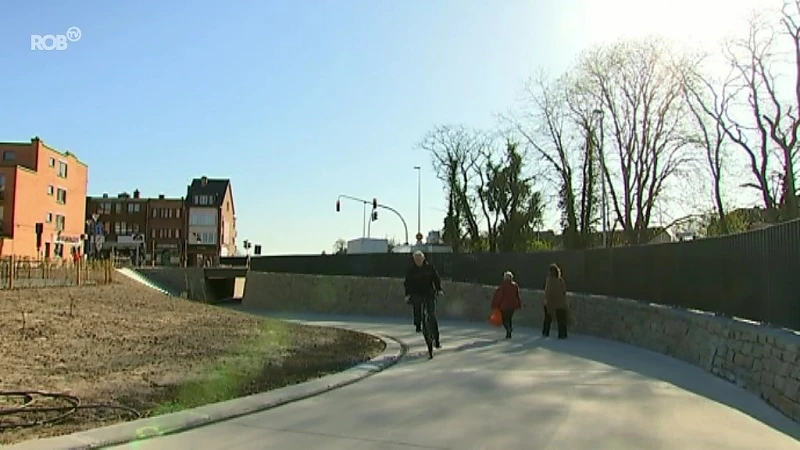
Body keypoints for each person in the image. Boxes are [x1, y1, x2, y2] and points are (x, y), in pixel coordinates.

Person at [404, 250, 443, 348]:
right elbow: (407, 283)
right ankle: (418, 324)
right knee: (417, 306)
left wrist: (439, 289)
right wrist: (408, 294)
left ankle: (437, 339)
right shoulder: (411, 270)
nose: (418, 261)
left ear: (423, 258)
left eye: (420, 259)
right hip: (416, 293)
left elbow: (436, 278)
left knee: (432, 314)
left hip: (429, 293)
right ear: (413, 260)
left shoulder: (429, 268)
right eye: (416, 259)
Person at [491, 271, 522, 339]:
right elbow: (517, 295)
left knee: (504, 319)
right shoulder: (515, 285)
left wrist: (495, 304)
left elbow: (499, 296)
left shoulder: (503, 285)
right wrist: (519, 304)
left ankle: (508, 329)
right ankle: (509, 333)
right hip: (512, 305)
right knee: (509, 318)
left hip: (504, 305)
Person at [542, 263, 569, 339]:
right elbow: (564, 291)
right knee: (561, 320)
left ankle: (545, 332)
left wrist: (546, 300)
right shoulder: (560, 280)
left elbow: (547, 291)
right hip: (561, 302)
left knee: (548, 318)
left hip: (551, 302)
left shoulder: (549, 280)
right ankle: (562, 334)